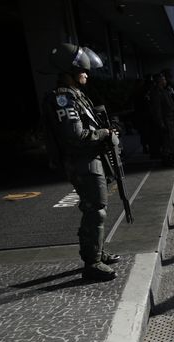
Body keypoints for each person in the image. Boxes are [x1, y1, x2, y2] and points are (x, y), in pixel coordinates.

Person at [42, 43, 120, 281]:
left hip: (89, 159)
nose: (86, 74)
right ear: (70, 72)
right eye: (82, 71)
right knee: (94, 210)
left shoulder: (74, 94)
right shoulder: (63, 98)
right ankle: (92, 263)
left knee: (97, 209)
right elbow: (75, 136)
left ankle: (96, 251)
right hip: (82, 161)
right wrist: (104, 134)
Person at [151, 72, 174, 167]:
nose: (165, 81)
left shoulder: (165, 91)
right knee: (167, 141)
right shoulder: (157, 93)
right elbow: (157, 109)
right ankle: (167, 160)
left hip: (170, 119)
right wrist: (161, 122)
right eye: (163, 79)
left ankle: (170, 158)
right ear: (160, 81)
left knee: (171, 140)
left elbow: (172, 104)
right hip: (165, 120)